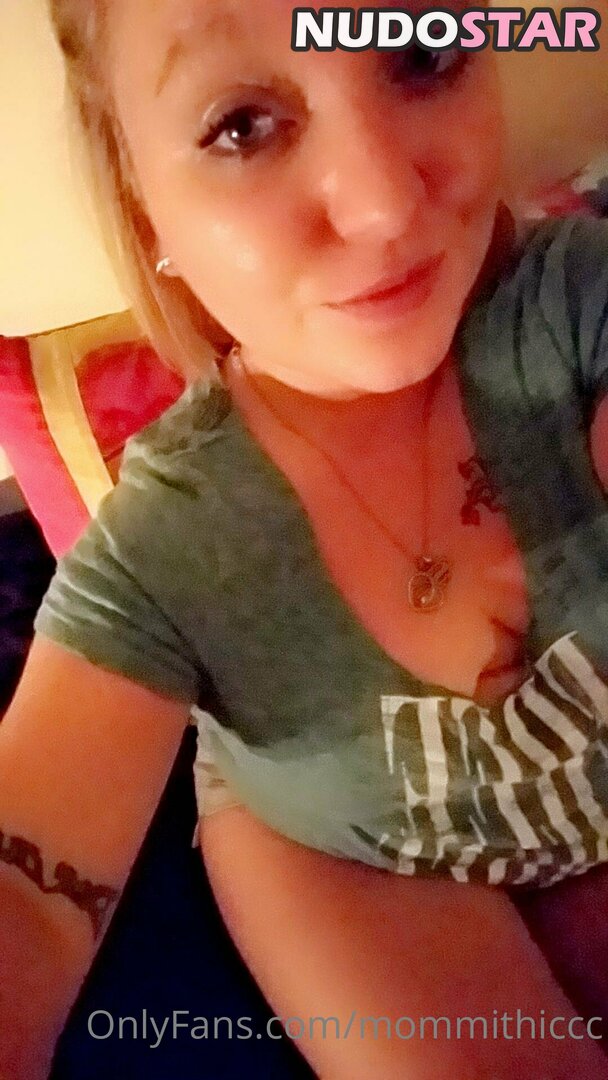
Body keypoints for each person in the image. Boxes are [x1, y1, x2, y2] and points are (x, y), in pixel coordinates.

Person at [2, 1, 608, 1076]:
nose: (384, 203)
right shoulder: (171, 546)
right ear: (145, 207)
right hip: (361, 841)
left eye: (422, 53)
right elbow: (26, 902)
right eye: (241, 125)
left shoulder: (574, 308)